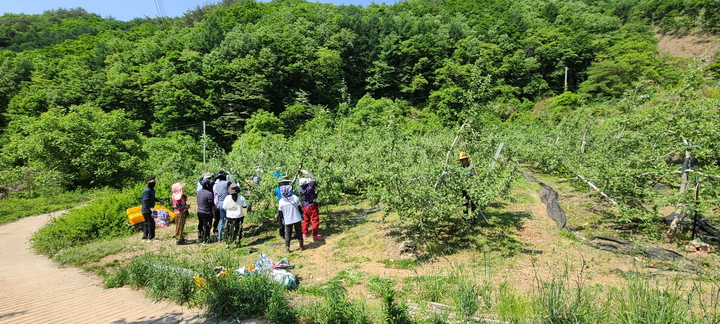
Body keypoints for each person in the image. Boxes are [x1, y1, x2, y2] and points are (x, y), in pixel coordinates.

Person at [278, 185, 304, 253]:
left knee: (287, 235)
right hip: (297, 218)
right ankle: (301, 247)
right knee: (299, 233)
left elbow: (280, 213)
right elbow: (300, 208)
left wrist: (283, 219)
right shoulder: (295, 198)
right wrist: (302, 214)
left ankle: (287, 249)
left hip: (288, 220)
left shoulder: (281, 201)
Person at [299, 170, 322, 241]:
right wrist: (306, 173)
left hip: (305, 206)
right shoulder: (310, 188)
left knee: (306, 220)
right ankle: (315, 236)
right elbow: (313, 178)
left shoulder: (300, 190)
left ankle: (304, 234)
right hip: (312, 206)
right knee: (315, 220)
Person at [458, 152, 478, 224]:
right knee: (465, 203)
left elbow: (475, 177)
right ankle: (464, 218)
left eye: (462, 160)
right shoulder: (461, 168)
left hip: (471, 188)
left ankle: (473, 219)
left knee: (473, 204)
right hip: (464, 188)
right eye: (461, 160)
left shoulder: (471, 167)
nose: (461, 162)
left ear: (466, 159)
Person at [141, 176, 162, 241]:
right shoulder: (146, 191)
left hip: (149, 209)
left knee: (147, 223)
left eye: (154, 182)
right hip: (146, 210)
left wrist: (158, 200)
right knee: (151, 223)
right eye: (152, 182)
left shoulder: (152, 190)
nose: (153, 183)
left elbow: (152, 198)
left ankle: (145, 237)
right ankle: (151, 238)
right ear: (148, 183)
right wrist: (150, 208)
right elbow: (145, 200)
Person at [214, 171, 231, 242]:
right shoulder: (228, 183)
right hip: (227, 202)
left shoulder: (216, 185)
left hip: (220, 203)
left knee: (222, 220)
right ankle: (228, 236)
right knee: (229, 220)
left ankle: (219, 237)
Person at [196, 178, 214, 243]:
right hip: (206, 212)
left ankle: (200, 236)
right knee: (207, 225)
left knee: (200, 224)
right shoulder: (209, 194)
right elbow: (211, 204)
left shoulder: (199, 192)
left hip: (199, 211)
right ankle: (206, 239)